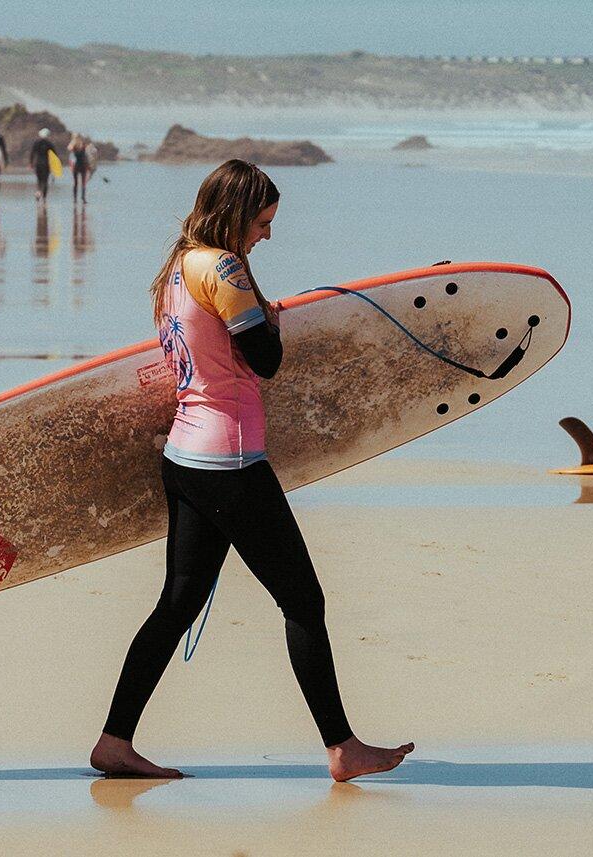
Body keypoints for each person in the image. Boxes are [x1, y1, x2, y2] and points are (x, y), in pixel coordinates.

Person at [94, 159, 414, 783]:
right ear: (237, 216)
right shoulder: (225, 268)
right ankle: (343, 748)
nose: (267, 234)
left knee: (178, 602)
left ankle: (114, 741)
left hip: (184, 456)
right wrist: (271, 318)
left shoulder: (176, 272)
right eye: (262, 222)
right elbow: (264, 360)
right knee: (303, 601)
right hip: (231, 459)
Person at [27, 127, 57, 202]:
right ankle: (44, 198)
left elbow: (32, 153)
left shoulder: (36, 142)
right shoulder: (49, 144)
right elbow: (54, 156)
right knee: (45, 181)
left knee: (39, 180)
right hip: (46, 164)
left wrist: (31, 163)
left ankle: (38, 192)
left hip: (38, 163)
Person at [68, 132, 94, 203]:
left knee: (76, 182)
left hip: (77, 165)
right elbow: (86, 156)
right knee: (83, 182)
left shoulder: (74, 146)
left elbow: (69, 149)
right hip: (82, 164)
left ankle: (75, 199)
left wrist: (73, 141)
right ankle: (82, 197)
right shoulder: (82, 145)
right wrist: (89, 165)